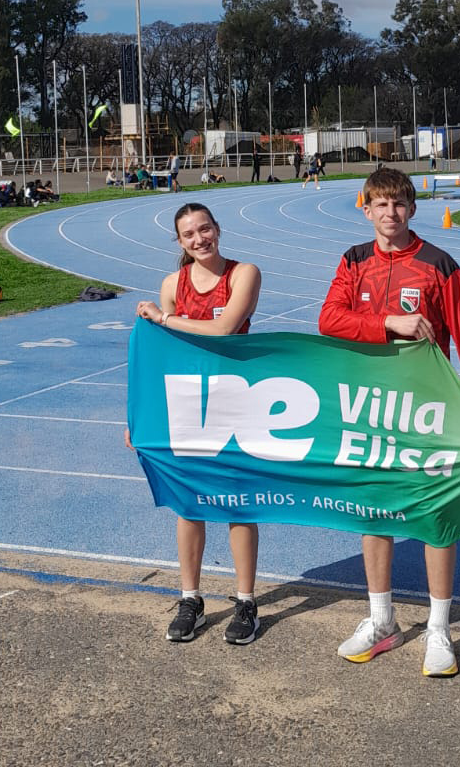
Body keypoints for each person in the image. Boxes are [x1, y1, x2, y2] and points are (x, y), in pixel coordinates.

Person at [318, 168, 460, 676]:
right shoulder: (353, 261)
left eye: (399, 204)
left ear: (413, 209)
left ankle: (439, 628)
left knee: (434, 516)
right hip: (367, 406)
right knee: (372, 512)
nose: (390, 213)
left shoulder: (438, 265)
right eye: (380, 204)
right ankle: (382, 620)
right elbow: (329, 320)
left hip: (426, 409)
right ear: (365, 209)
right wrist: (387, 322)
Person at [127, 202, 263, 645]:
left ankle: (246, 600)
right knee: (189, 503)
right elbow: (159, 356)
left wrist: (165, 317)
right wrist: (139, 417)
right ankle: (191, 599)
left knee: (238, 503)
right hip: (186, 404)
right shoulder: (173, 284)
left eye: (205, 229)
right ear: (180, 242)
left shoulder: (244, 273)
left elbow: (225, 329)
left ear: (217, 229)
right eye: (190, 234)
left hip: (235, 399)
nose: (200, 239)